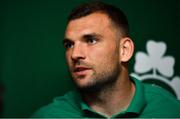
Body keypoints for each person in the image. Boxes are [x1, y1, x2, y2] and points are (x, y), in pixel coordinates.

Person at [32, 1, 180, 118]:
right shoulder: (48, 116)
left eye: (91, 40)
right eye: (69, 44)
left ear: (124, 50)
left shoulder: (170, 110)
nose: (75, 54)